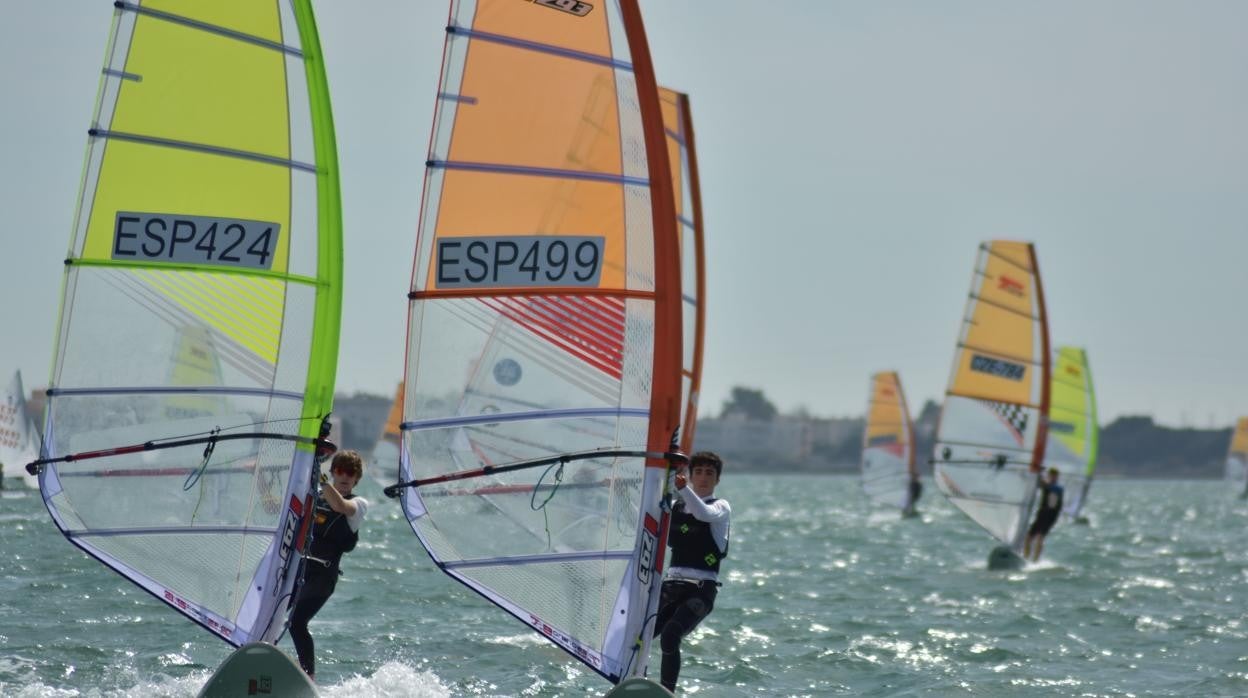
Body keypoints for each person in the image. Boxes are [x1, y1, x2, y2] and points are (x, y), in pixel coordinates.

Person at [654, 451, 731, 694]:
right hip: (671, 586)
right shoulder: (675, 506)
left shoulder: (720, 507)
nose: (703, 477)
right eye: (698, 472)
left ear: (717, 479)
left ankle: (667, 692)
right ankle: (633, 679)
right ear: (690, 474)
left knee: (670, 635)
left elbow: (702, 514)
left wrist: (683, 488)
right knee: (640, 634)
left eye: (710, 473)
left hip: (701, 591)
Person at [289, 449, 369, 680]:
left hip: (322, 578)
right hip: (297, 571)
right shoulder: (315, 497)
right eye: (340, 471)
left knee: (296, 623)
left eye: (351, 473)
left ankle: (309, 677)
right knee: (267, 616)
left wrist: (320, 478)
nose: (345, 476)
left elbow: (340, 506)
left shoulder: (358, 504)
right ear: (334, 472)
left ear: (357, 478)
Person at [1023, 467, 1063, 562]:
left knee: (1040, 537)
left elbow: (1046, 485)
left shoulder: (1058, 488)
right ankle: (1025, 557)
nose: (1052, 477)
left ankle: (1035, 560)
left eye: (1054, 476)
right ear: (1049, 476)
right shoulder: (1046, 485)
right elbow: (1040, 484)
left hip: (1051, 516)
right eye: (1051, 476)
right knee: (1028, 536)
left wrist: (1038, 475)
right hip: (1041, 514)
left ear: (1057, 477)